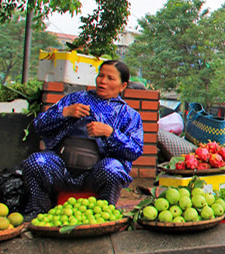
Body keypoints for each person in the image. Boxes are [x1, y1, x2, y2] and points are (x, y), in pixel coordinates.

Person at [22, 60, 144, 216]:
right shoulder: (75, 99)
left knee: (113, 169)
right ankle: (39, 212)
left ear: (123, 86)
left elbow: (135, 150)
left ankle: (103, 214)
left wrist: (110, 133)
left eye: (110, 78)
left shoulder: (129, 115)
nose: (103, 81)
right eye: (101, 75)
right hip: (62, 167)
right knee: (36, 162)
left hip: (96, 173)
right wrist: (65, 113)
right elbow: (39, 125)